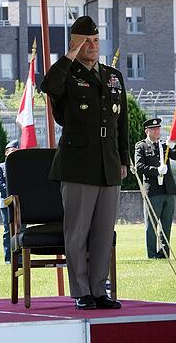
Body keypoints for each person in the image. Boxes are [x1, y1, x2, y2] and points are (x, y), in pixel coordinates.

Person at [40, 16, 128, 311]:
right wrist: (69, 56)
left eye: (95, 40)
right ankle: (81, 291)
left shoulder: (113, 76)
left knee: (103, 231)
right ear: (75, 43)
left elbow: (122, 124)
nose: (92, 46)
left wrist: (124, 160)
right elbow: (48, 85)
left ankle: (99, 289)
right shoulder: (66, 73)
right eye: (85, 41)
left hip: (108, 162)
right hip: (77, 163)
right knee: (77, 231)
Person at [134, 118, 176, 259]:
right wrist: (156, 170)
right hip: (153, 191)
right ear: (147, 131)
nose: (157, 131)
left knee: (166, 225)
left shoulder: (164, 145)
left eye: (158, 128)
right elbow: (139, 166)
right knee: (152, 226)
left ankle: (164, 252)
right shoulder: (141, 146)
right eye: (153, 129)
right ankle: (152, 254)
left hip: (168, 190)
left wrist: (173, 147)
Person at [0, 140, 19, 263]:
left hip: (21, 203)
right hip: (6, 203)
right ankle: (9, 258)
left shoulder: (22, 167)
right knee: (8, 230)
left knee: (21, 229)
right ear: (6, 153)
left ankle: (20, 258)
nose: (14, 154)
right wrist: (12, 193)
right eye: (12, 152)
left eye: (16, 152)